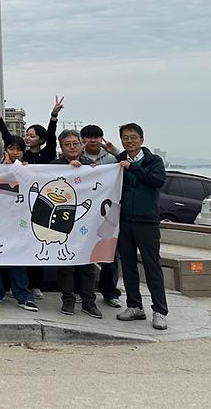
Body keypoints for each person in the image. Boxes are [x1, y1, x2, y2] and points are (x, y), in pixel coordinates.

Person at [114, 122, 169, 330]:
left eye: (133, 137)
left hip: (147, 221)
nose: (129, 141)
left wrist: (133, 168)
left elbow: (157, 181)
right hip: (124, 221)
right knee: (128, 266)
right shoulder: (118, 161)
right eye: (125, 137)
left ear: (141, 139)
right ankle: (134, 306)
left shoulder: (154, 161)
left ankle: (160, 311)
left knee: (152, 266)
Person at [0, 136, 38, 312]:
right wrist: (5, 170)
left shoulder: (29, 169)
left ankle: (23, 296)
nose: (15, 153)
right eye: (11, 148)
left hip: (18, 221)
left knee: (18, 257)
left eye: (19, 149)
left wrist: (17, 170)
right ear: (5, 149)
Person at [53, 130, 102, 318]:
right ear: (61, 147)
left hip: (86, 222)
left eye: (75, 143)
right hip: (62, 222)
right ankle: (68, 300)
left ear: (81, 145)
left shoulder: (91, 166)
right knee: (65, 264)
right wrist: (67, 170)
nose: (72, 147)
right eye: (67, 144)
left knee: (87, 264)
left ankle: (89, 302)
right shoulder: (53, 166)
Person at [80, 124, 122, 307]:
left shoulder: (112, 159)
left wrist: (115, 150)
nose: (93, 140)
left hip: (108, 212)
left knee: (110, 254)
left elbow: (129, 162)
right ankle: (82, 292)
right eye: (88, 137)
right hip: (84, 213)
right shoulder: (76, 158)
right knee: (81, 253)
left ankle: (110, 292)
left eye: (96, 136)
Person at [0, 95, 63, 164]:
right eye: (26, 135)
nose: (27, 138)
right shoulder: (22, 155)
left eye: (32, 136)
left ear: (42, 139)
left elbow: (51, 135)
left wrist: (54, 114)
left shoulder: (48, 153)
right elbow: (5, 133)